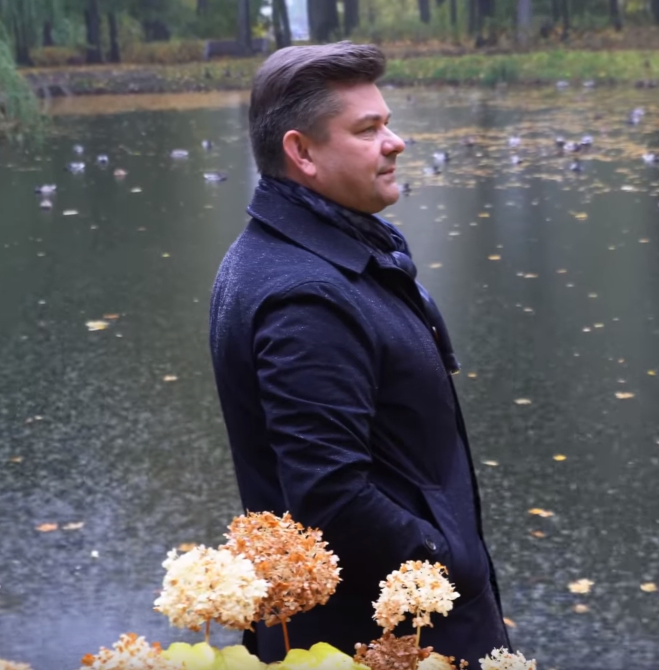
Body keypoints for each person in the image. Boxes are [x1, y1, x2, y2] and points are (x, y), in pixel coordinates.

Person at [208, 42, 510, 665]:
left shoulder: (308, 254)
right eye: (368, 129)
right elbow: (332, 496)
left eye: (387, 124)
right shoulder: (306, 297)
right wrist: (450, 562)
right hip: (389, 641)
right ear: (302, 152)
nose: (395, 142)